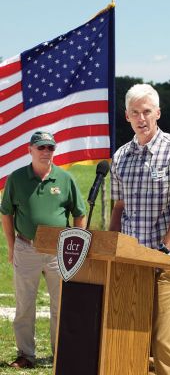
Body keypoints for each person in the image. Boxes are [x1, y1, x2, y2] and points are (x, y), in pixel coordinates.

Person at [109, 84, 170, 375]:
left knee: (164, 341)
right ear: (126, 116)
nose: (141, 118)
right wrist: (112, 247)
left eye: (147, 111)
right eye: (135, 112)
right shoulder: (120, 156)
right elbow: (119, 208)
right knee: (135, 338)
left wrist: (165, 248)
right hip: (130, 262)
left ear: (158, 113)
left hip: (164, 261)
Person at [0, 131, 86, 369]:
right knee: (24, 305)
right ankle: (25, 355)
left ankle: (62, 354)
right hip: (25, 248)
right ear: (30, 150)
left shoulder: (65, 179)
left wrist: (76, 248)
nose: (46, 152)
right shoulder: (16, 179)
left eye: (50, 148)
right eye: (41, 148)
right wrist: (11, 246)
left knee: (62, 305)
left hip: (59, 251)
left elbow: (79, 214)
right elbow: (6, 212)